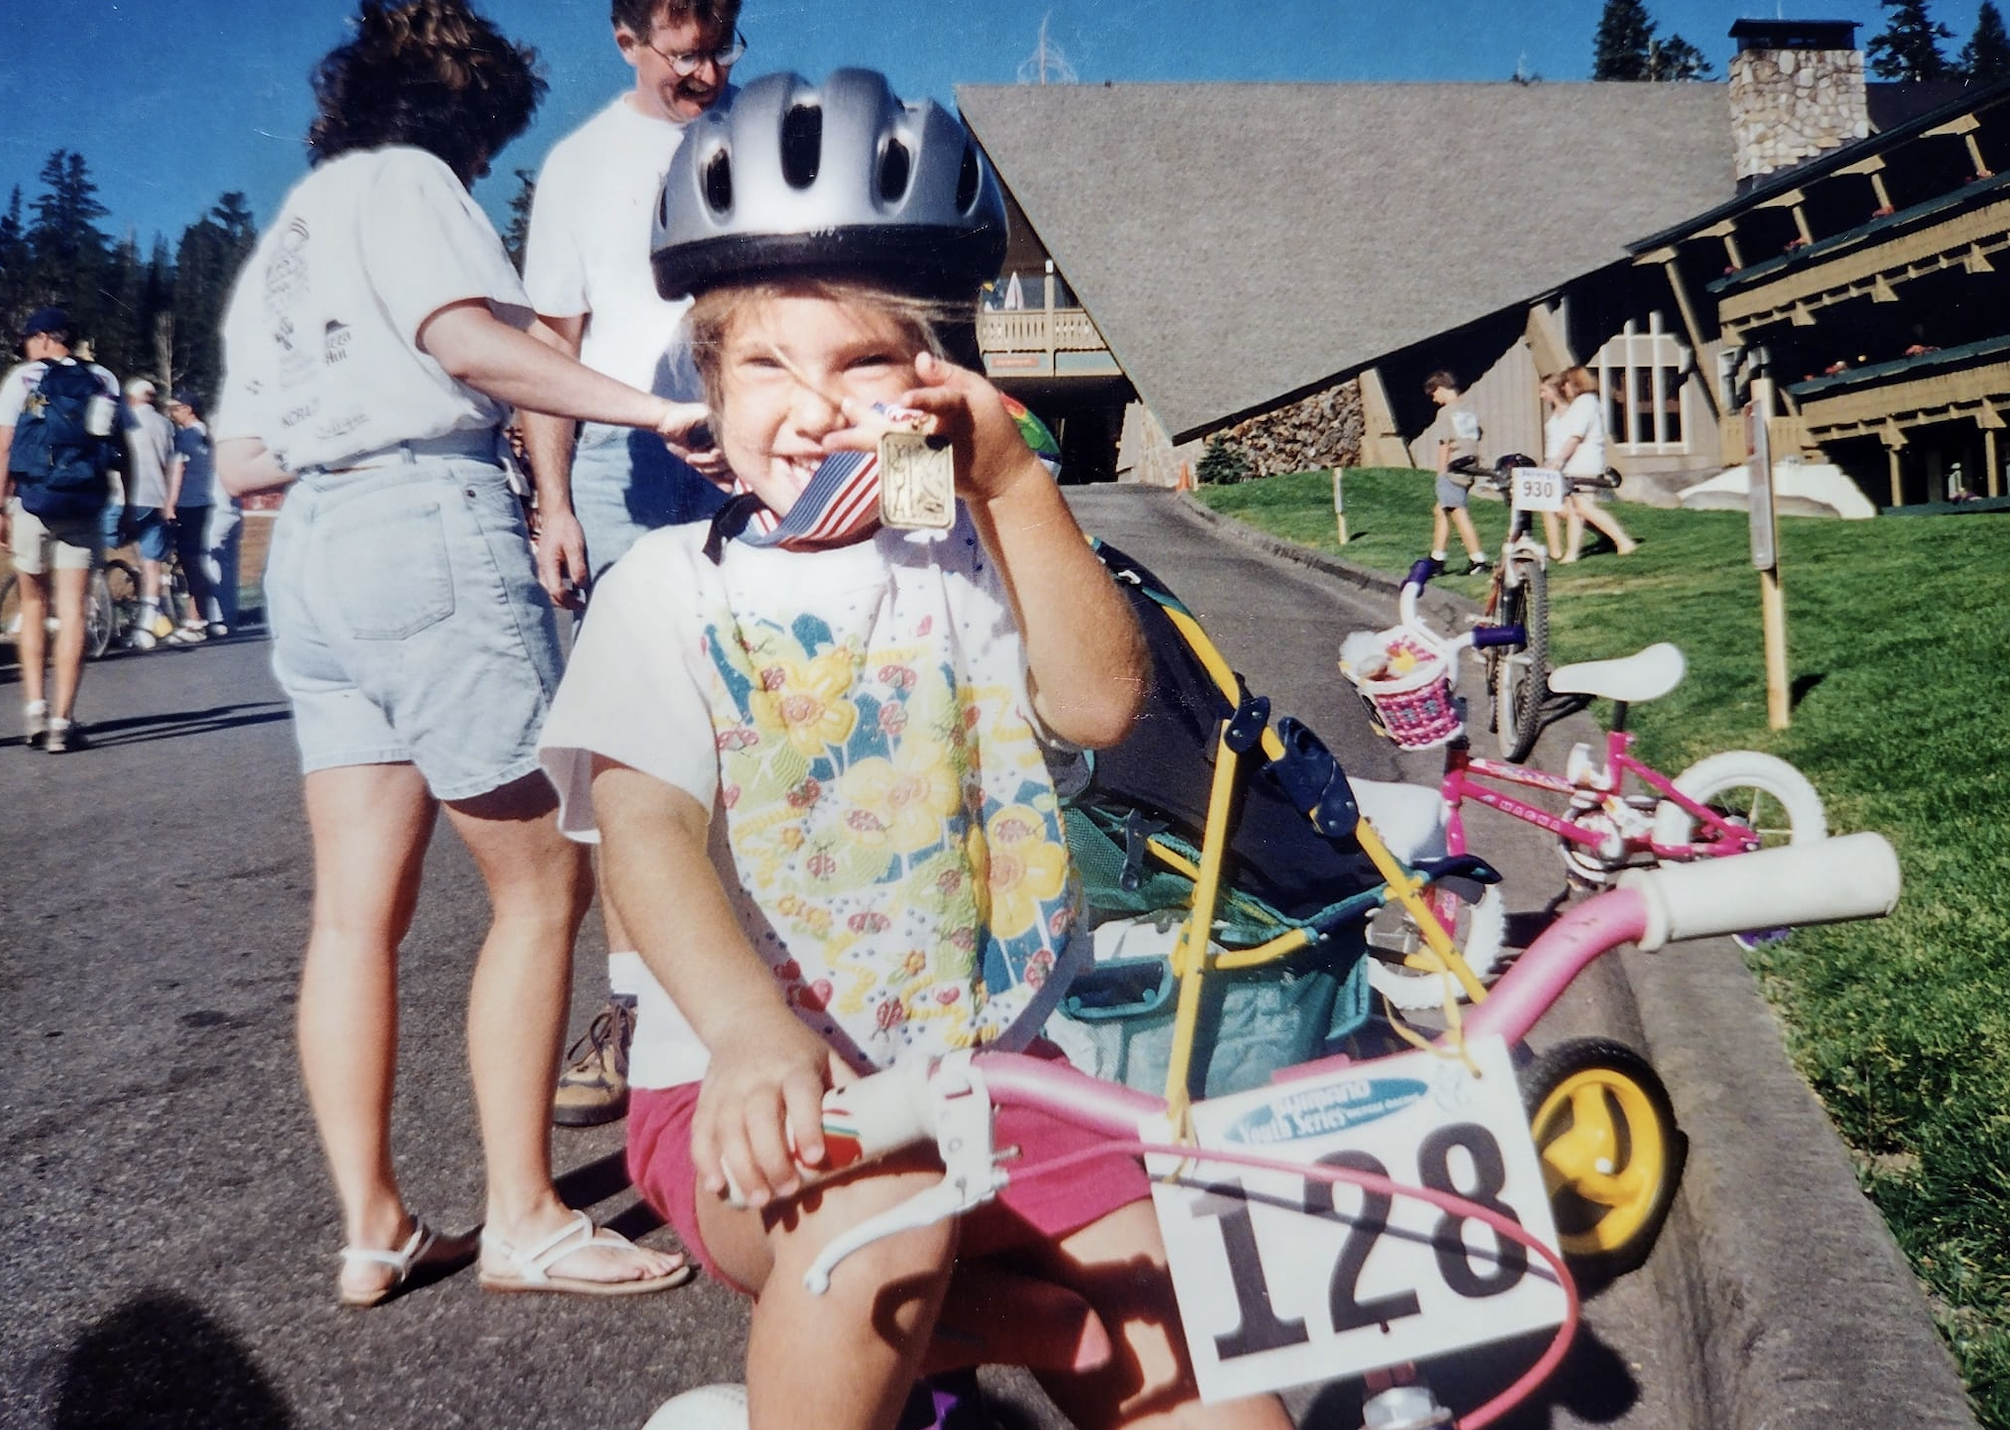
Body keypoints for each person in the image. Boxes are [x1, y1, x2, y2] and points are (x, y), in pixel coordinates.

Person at [537, 70, 1290, 1430]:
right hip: (744, 1079)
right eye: (764, 361)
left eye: (860, 361)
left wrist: (1010, 483)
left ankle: (1008, 1321)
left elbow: (1101, 702)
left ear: (938, 378)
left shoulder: (973, 558)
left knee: (1189, 1355)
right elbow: (641, 831)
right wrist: (752, 1030)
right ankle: (966, 1326)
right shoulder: (669, 589)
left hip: (995, 1070)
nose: (810, 406)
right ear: (707, 383)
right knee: (878, 1220)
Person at [212, 0, 701, 1308]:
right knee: (543, 882)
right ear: (455, 112)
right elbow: (469, 339)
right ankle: (526, 1215)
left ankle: (373, 1224)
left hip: (308, 548)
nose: (484, 160)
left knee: (354, 912)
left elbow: (239, 458)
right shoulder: (413, 182)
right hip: (424, 521)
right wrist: (651, 407)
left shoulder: (290, 234)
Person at [520, 0, 742, 1129]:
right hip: (619, 457)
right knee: (638, 734)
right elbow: (551, 348)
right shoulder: (579, 166)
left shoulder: (760, 130)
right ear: (624, 40)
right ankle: (636, 1011)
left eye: (724, 42)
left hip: (758, 431)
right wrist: (555, 498)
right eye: (684, 50)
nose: (708, 69)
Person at [0, 307, 119, 753]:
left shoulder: (22, 380)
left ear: (46, 338)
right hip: (84, 503)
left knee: (33, 603)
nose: (27, 349)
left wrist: (0, 505)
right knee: (73, 610)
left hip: (33, 502)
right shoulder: (104, 379)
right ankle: (61, 722)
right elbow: (114, 445)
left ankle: (34, 708)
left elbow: (5, 445)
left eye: (30, 340)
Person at [1552, 366, 1638, 562]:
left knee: (1583, 506)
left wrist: (1558, 461)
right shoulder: (1585, 403)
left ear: (1573, 383)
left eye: (1565, 383)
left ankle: (1623, 540)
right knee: (1574, 510)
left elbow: (1575, 437)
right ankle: (1572, 554)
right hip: (1576, 465)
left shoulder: (1585, 403)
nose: (1564, 389)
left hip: (1583, 464)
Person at [120, 377, 180, 649]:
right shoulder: (165, 424)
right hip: (156, 497)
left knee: (95, 551)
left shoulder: (124, 419)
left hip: (126, 496)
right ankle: (147, 624)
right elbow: (172, 463)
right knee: (151, 563)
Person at [162, 389, 223, 643]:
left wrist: (169, 504)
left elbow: (178, 471)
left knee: (190, 563)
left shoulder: (186, 437)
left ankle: (197, 620)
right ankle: (203, 617)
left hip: (187, 504)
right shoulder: (206, 435)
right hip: (205, 502)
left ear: (188, 409)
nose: (172, 412)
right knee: (198, 560)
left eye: (176, 408)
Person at [1421, 369, 1490, 575]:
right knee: (1440, 510)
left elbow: (1445, 444)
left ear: (1441, 389)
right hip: (1468, 465)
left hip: (1452, 468)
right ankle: (1437, 558)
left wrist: (1441, 472)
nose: (1434, 400)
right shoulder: (1468, 409)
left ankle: (1478, 560)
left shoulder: (1445, 412)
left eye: (1434, 394)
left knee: (1458, 513)